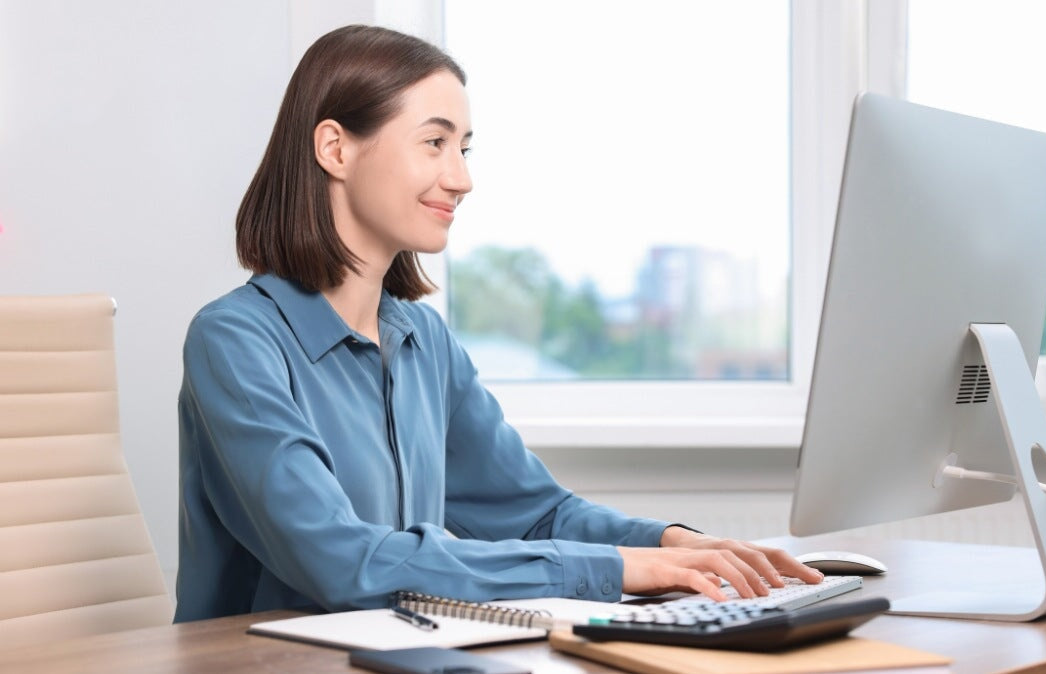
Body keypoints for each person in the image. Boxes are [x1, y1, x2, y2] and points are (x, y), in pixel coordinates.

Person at [174, 24, 820, 622]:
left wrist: (674, 545)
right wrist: (617, 568)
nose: (462, 178)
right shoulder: (235, 341)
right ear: (335, 148)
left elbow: (535, 515)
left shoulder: (423, 342)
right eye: (435, 143)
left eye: (464, 148)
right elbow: (341, 561)